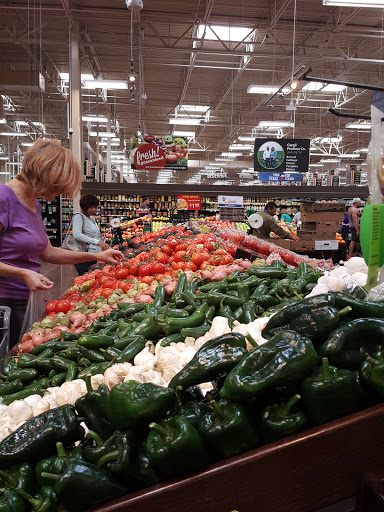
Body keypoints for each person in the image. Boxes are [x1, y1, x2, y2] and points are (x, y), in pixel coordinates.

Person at [0, 139, 123, 348]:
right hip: (4, 304)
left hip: (27, 300)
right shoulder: (4, 198)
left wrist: (97, 256)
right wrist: (22, 273)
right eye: (59, 186)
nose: (61, 193)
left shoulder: (34, 204)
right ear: (47, 176)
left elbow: (47, 253)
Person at [72, 194, 110, 276]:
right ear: (85, 206)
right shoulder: (78, 217)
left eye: (95, 207)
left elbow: (93, 236)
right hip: (83, 256)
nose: (94, 210)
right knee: (85, 278)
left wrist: (101, 237)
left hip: (93, 255)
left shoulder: (92, 218)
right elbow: (77, 235)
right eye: (91, 207)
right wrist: (97, 242)